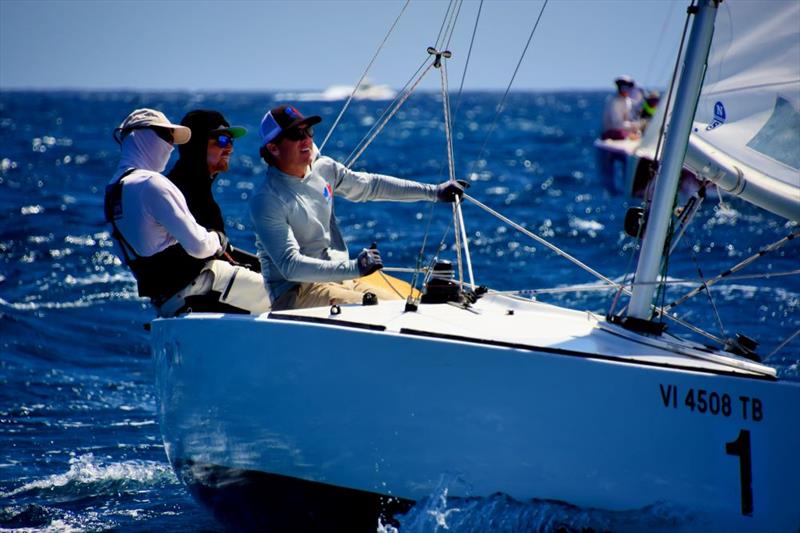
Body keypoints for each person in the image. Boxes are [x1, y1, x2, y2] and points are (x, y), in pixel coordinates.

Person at [250, 104, 466, 311]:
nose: (306, 139)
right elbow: (290, 265)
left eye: (308, 131)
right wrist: (355, 267)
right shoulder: (267, 199)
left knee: (410, 304)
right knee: (387, 310)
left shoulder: (324, 169)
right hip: (297, 294)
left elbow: (371, 186)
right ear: (273, 148)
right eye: (296, 135)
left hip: (342, 279)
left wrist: (434, 192)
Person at [105, 108, 270, 317]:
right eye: (165, 136)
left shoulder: (113, 190)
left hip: (166, 300)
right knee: (298, 293)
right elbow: (200, 247)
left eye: (171, 139)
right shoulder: (152, 184)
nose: (170, 145)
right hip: (198, 287)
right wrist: (217, 239)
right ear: (141, 137)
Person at [167, 109, 260, 272]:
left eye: (231, 141)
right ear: (197, 144)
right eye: (222, 140)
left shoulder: (195, 187)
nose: (229, 148)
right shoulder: (180, 191)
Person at [601, 75, 641, 140]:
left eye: (628, 88)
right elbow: (617, 125)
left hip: (624, 131)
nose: (625, 90)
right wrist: (635, 125)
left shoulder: (628, 101)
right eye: (623, 88)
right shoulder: (614, 101)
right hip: (612, 133)